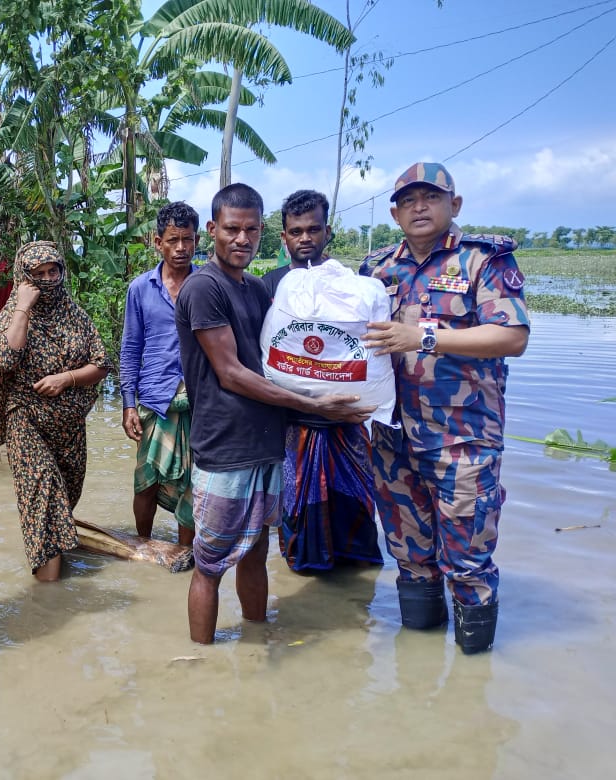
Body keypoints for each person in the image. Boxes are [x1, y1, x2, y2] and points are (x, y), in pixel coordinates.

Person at [175, 183, 374, 644]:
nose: (241, 239)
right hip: (225, 448)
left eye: (250, 229)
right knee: (209, 565)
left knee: (256, 552)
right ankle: (198, 665)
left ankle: (256, 640)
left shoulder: (256, 289)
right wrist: (314, 404)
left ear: (263, 232)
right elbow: (231, 374)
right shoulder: (205, 287)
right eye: (231, 229)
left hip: (266, 444)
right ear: (212, 230)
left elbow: (281, 359)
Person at [361, 162, 530, 654]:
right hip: (392, 438)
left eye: (430, 197)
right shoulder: (376, 270)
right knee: (410, 555)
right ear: (395, 213)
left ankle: (473, 684)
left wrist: (425, 336)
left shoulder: (483, 260)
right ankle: (419, 675)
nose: (419, 207)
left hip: (462, 439)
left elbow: (512, 336)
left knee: (469, 561)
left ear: (453, 205)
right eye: (409, 199)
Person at [263, 190, 384, 572]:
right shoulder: (271, 285)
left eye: (313, 229)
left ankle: (356, 597)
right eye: (295, 231)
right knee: (296, 515)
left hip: (347, 422)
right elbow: (262, 355)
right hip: (293, 425)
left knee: (357, 512)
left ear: (327, 230)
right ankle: (304, 586)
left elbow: (374, 353)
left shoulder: (354, 285)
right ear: (283, 236)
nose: (305, 238)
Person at [0, 241, 112, 582]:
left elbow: (102, 364)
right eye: (38, 275)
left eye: (53, 271)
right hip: (25, 419)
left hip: (69, 427)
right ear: (23, 279)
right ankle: (49, 603)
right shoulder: (13, 314)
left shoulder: (76, 316)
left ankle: (53, 578)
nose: (47, 279)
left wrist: (67, 379)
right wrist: (24, 307)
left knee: (65, 499)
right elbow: (5, 359)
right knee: (44, 497)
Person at [119, 201, 199, 546]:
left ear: (197, 241)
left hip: (199, 401)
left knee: (194, 484)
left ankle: (186, 550)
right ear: (157, 242)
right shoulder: (140, 288)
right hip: (154, 398)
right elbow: (130, 349)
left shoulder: (208, 284)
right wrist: (128, 404)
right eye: (172, 240)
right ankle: (143, 544)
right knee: (146, 480)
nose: (180, 248)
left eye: (187, 239)